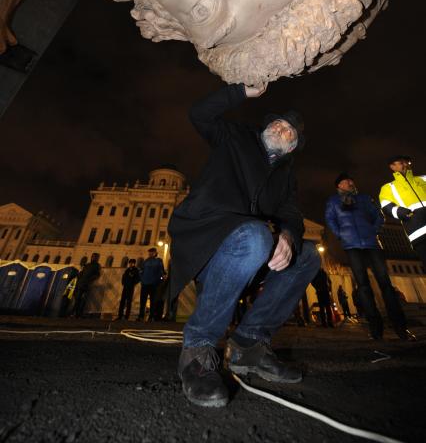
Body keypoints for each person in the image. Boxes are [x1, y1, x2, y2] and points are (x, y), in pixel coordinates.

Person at [168, 83, 320, 408]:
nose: (281, 127)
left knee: (307, 256)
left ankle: (249, 346)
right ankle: (198, 349)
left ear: (292, 147)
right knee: (255, 236)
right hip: (208, 239)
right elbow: (199, 113)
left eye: (289, 130)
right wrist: (241, 92)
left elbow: (292, 214)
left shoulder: (286, 178)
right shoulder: (234, 137)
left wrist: (289, 237)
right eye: (278, 122)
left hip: (251, 248)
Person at [325, 174, 413, 341]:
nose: (351, 182)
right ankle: (376, 329)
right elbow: (330, 220)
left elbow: (378, 216)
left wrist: (374, 230)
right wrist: (341, 235)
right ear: (339, 186)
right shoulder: (333, 201)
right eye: (346, 181)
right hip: (351, 246)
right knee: (363, 286)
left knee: (386, 284)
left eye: (352, 180)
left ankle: (401, 327)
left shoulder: (364, 198)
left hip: (372, 244)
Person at [379, 156, 426, 268]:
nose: (405, 164)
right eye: (400, 163)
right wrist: (399, 212)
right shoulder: (388, 188)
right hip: (417, 233)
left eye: (406, 162)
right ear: (392, 167)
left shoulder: (423, 179)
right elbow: (386, 206)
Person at [138, 248, 165, 322]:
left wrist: (159, 280)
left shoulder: (158, 261)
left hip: (153, 284)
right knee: (143, 301)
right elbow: (141, 270)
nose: (150, 254)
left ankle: (151, 316)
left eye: (152, 252)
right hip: (145, 283)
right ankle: (141, 316)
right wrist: (142, 279)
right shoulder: (145, 261)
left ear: (155, 253)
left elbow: (161, 271)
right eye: (149, 252)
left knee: (153, 301)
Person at [73, 253, 101, 318]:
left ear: (97, 258)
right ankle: (75, 312)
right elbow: (82, 272)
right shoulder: (87, 265)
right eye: (93, 256)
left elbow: (97, 275)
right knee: (78, 298)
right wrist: (79, 277)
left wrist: (90, 280)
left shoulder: (97, 266)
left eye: (95, 257)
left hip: (87, 284)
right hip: (81, 283)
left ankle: (79, 313)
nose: (93, 258)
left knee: (83, 299)